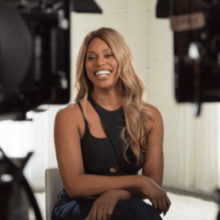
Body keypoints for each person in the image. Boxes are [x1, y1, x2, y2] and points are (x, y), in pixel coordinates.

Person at [52, 27, 171, 220]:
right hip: (75, 206)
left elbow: (153, 185)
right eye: (91, 57)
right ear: (84, 65)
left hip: (125, 203)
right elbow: (74, 185)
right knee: (137, 213)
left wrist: (116, 194)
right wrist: (139, 181)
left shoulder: (151, 116)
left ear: (122, 59)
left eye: (109, 55)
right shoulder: (69, 116)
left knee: (134, 210)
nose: (99, 62)